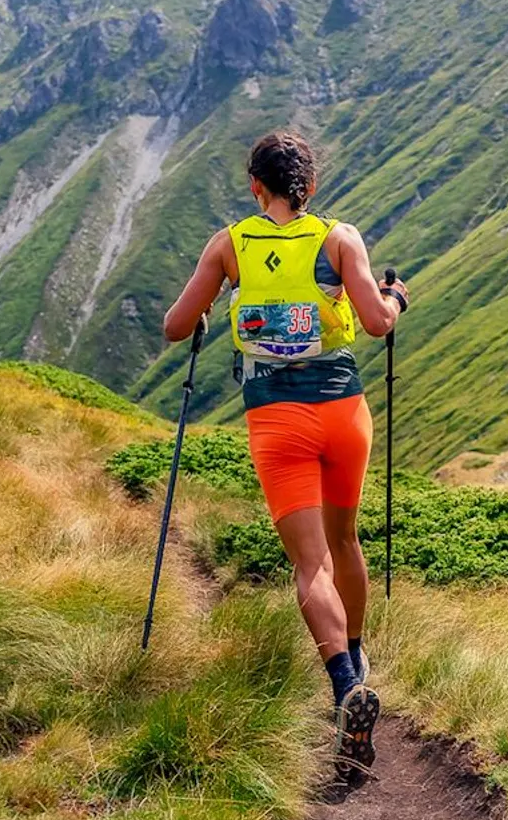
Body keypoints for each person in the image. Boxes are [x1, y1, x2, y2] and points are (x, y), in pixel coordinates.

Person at [161, 130, 408, 783]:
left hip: (276, 417)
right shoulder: (339, 238)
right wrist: (396, 298)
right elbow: (378, 322)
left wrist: (214, 306)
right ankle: (358, 656)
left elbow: (174, 325)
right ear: (311, 187)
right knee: (345, 542)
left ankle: (344, 686)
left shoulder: (230, 245)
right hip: (344, 411)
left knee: (309, 565)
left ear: (255, 187)